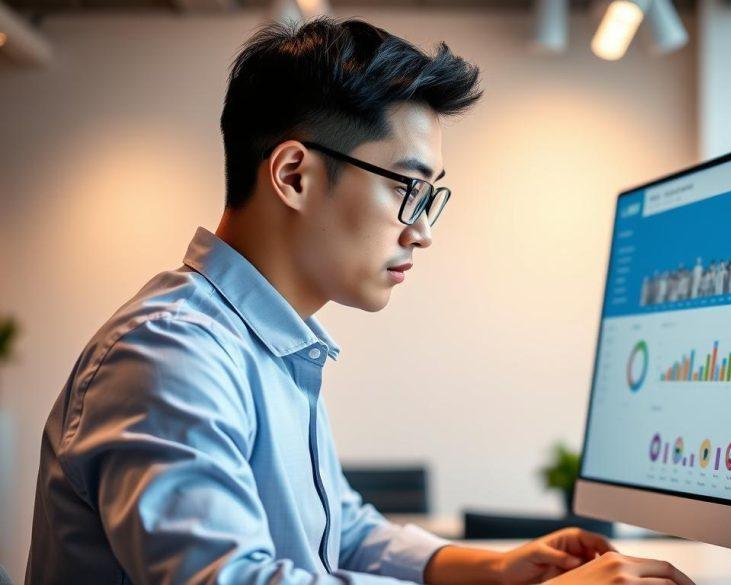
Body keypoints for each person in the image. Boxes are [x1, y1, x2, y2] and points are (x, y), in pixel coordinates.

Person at [25, 18, 692, 585]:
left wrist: (491, 568)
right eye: (409, 189)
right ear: (294, 175)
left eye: (431, 199)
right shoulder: (170, 353)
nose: (423, 231)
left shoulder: (272, 345)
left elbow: (335, 526)